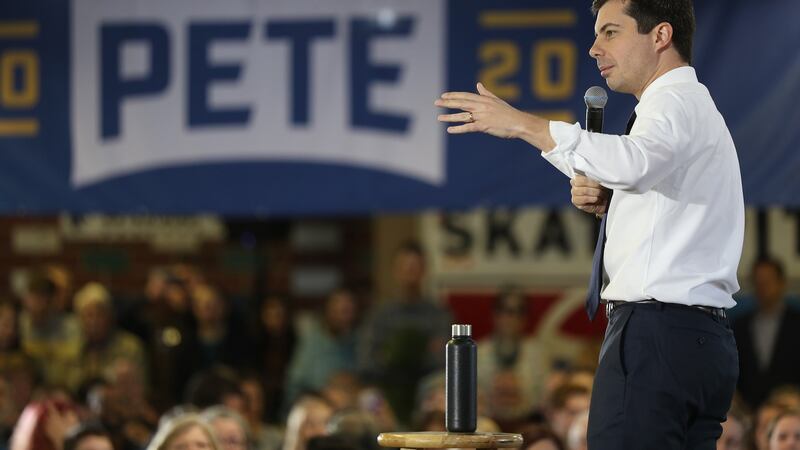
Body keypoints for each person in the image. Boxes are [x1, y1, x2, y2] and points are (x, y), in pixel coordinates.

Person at [435, 0, 743, 448]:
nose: (593, 48)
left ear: (660, 36)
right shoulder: (690, 106)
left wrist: (526, 125)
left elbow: (635, 162)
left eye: (611, 32)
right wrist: (613, 199)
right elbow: (653, 184)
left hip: (657, 336)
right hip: (695, 340)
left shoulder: (673, 101)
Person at [733, 258, 800, 409]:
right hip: (749, 409)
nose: (762, 287)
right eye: (758, 282)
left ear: (782, 283)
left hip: (791, 408)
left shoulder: (796, 323)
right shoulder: (740, 326)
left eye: (768, 281)